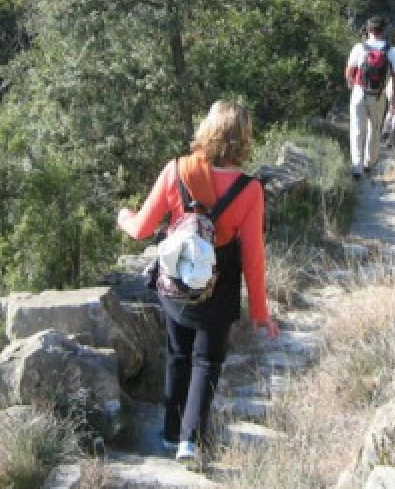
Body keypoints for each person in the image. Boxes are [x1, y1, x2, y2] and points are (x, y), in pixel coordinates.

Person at [116, 100, 279, 464]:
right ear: (243, 138)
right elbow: (253, 256)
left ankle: (171, 431)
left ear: (208, 130)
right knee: (206, 361)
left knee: (178, 354)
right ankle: (190, 439)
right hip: (218, 285)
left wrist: (123, 216)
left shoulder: (176, 171)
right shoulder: (250, 190)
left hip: (176, 282)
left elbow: (142, 228)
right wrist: (259, 312)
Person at [345, 16, 395, 180]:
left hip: (359, 93)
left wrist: (353, 87)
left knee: (357, 129)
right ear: (383, 31)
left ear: (368, 30)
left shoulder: (359, 48)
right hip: (378, 96)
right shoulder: (390, 51)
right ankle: (370, 163)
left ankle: (357, 167)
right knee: (374, 129)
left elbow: (349, 72)